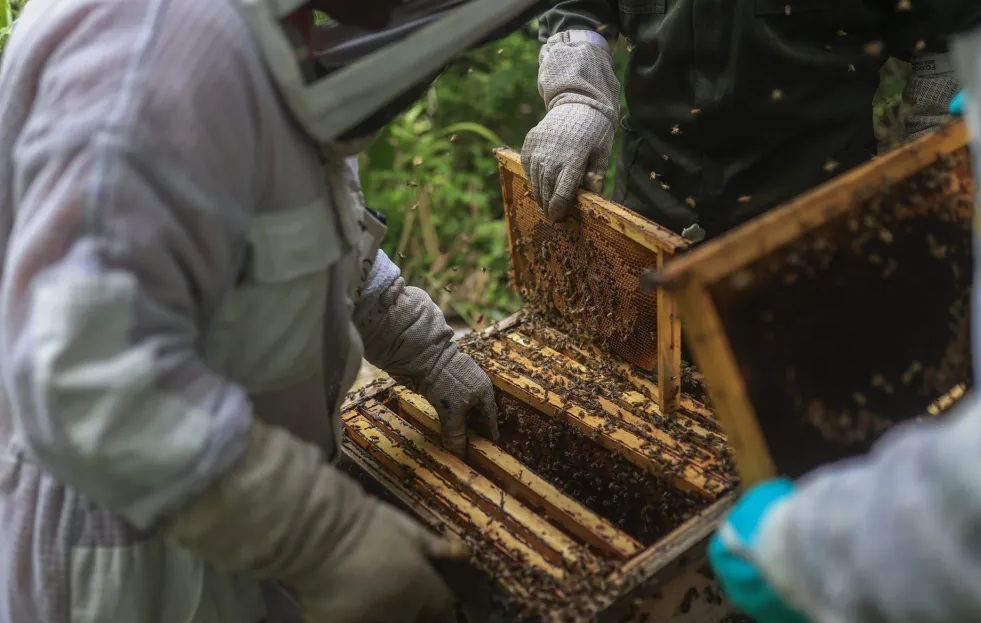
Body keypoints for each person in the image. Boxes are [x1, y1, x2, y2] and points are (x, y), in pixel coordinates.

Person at [0, 1, 547, 622]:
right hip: (139, 573)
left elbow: (282, 225)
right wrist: (324, 535)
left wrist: (414, 335)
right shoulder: (155, 49)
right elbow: (82, 373)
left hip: (243, 547)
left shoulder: (276, 30)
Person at [707, 2, 981, 621]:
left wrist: (801, 552)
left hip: (814, 222)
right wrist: (575, 59)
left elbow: (968, 515)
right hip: (661, 203)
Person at [520, 1, 961, 241]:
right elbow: (578, 7)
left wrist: (931, 178)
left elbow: (949, 42)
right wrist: (578, 94)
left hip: (820, 234)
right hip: (651, 224)